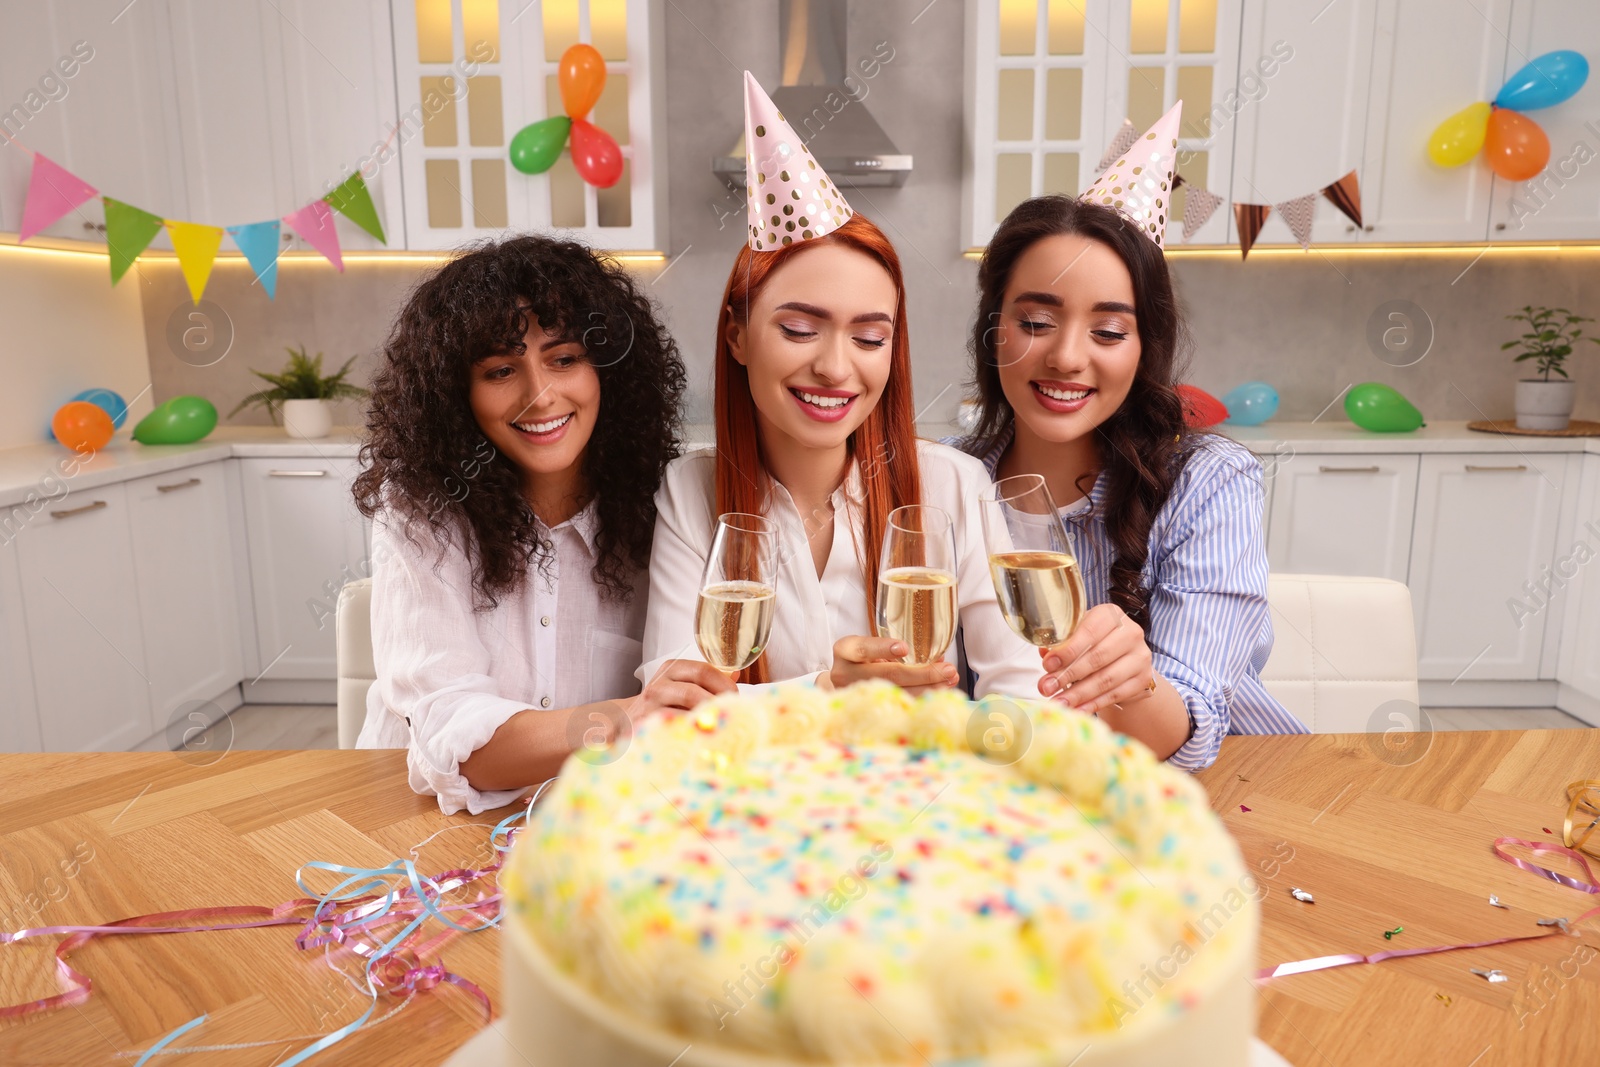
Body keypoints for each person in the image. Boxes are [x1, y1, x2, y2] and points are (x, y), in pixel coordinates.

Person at [638, 73, 1039, 700]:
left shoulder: (954, 487)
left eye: (870, 338)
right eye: (799, 329)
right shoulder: (691, 496)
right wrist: (828, 691)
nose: (835, 367)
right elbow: (678, 709)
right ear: (738, 336)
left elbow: (1022, 693)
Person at [353, 235, 734, 814]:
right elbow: (459, 741)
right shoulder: (422, 509)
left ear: (608, 370)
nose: (541, 395)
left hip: (597, 821)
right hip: (414, 822)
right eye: (502, 369)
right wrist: (624, 716)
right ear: (457, 393)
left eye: (564, 359)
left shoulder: (670, 508)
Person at [955, 158, 1307, 767]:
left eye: (1110, 331)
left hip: (1224, 794)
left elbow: (1188, 734)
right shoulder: (947, 483)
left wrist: (1131, 681)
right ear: (994, 330)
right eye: (1036, 322)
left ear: (1146, 348)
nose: (1067, 357)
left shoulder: (1206, 481)